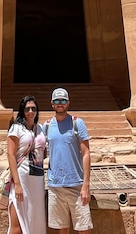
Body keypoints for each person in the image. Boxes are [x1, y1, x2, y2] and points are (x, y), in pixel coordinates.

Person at [44, 87, 93, 232]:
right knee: (62, 228)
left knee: (84, 228)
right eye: (57, 101)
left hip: (76, 185)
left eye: (63, 100)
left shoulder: (77, 123)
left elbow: (86, 153)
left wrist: (86, 186)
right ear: (52, 103)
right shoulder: (46, 126)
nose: (60, 103)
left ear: (68, 103)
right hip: (55, 185)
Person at [6, 95, 47, 234]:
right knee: (17, 223)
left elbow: (44, 152)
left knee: (36, 219)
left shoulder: (40, 128)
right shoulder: (16, 128)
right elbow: (10, 154)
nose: (31, 111)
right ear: (22, 110)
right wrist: (17, 184)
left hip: (37, 179)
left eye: (33, 109)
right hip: (22, 179)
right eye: (27, 108)